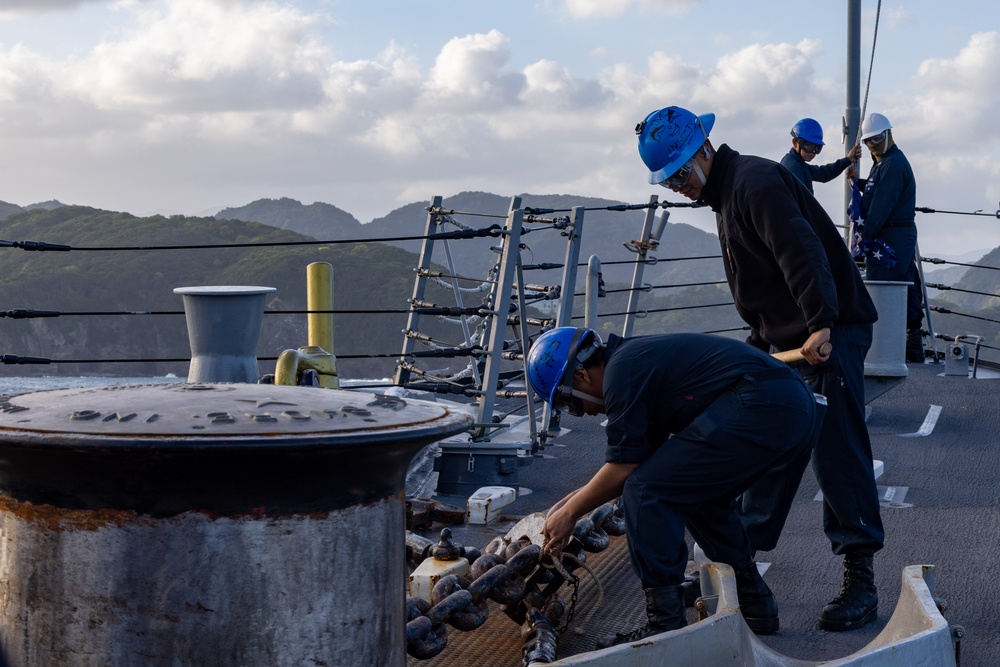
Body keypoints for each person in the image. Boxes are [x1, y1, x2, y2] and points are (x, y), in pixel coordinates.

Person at [635, 105, 884, 632]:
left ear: (704, 150)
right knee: (765, 447)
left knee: (836, 449)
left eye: (681, 172)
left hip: (828, 334)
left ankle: (861, 579)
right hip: (786, 342)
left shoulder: (753, 181)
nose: (678, 185)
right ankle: (739, 570)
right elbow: (763, 285)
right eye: (669, 179)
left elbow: (801, 251)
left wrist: (821, 323)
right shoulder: (727, 195)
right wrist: (756, 347)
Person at [529, 327, 820, 647]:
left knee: (647, 492)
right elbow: (633, 464)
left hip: (762, 404)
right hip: (787, 404)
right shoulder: (632, 361)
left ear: (582, 376)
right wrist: (564, 507)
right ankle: (754, 600)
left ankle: (664, 625)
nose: (582, 413)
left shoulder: (621, 372)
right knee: (691, 491)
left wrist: (571, 512)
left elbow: (627, 472)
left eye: (570, 404)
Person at [858, 112, 924, 362]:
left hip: (892, 236)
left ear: (888, 135)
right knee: (906, 285)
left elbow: (882, 204)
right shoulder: (885, 161)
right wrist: (860, 182)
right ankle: (912, 345)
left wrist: (865, 236)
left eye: (875, 140)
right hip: (898, 235)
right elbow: (879, 187)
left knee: (883, 289)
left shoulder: (893, 164)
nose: (871, 145)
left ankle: (884, 351)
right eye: (867, 142)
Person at [780, 118, 862, 194]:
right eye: (808, 145)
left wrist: (848, 160)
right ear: (795, 143)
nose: (813, 151)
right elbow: (799, 203)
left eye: (817, 147)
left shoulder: (799, 164)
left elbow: (824, 173)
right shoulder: (793, 167)